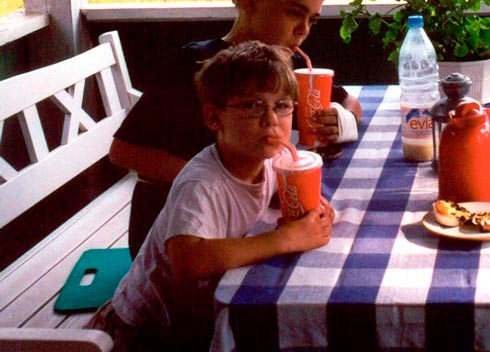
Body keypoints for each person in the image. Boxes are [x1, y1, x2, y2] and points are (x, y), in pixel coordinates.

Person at [110, 0, 361, 257]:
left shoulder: (283, 65)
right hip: (176, 239)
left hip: (246, 219)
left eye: (312, 19)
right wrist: (228, 184)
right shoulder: (194, 65)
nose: (304, 30)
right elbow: (123, 152)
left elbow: (351, 102)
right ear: (250, 2)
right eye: (294, 13)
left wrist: (338, 118)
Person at [89, 42, 335, 351]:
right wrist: (285, 239)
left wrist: (311, 211)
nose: (271, 119)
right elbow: (187, 260)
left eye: (282, 105)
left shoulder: (268, 159)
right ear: (214, 118)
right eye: (252, 106)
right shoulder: (203, 182)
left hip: (198, 311)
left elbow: (271, 194)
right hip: (144, 330)